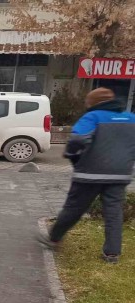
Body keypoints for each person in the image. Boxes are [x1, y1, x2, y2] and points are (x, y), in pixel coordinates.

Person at [37, 88, 135, 263]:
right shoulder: (131, 118)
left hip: (90, 173)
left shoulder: (93, 117)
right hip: (119, 175)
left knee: (74, 208)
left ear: (93, 102)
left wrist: (73, 156)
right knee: (114, 213)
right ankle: (112, 253)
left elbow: (77, 140)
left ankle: (53, 239)